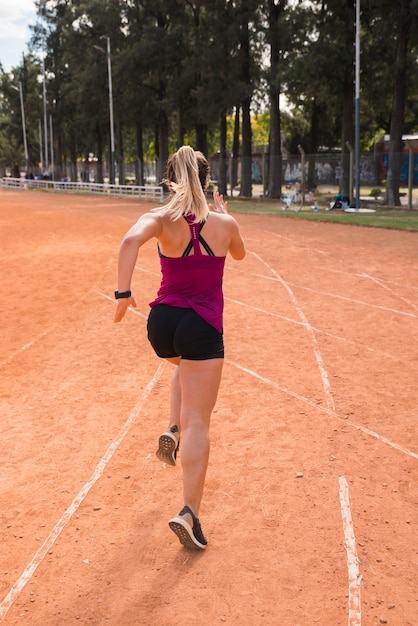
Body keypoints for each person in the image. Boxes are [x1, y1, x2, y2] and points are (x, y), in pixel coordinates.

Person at [114, 145, 245, 550]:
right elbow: (239, 255)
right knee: (200, 422)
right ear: (207, 181)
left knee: (182, 367)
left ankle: (172, 426)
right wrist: (226, 214)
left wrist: (123, 294)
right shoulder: (224, 224)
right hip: (203, 327)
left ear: (171, 180)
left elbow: (128, 242)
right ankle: (189, 512)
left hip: (162, 325)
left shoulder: (159, 218)